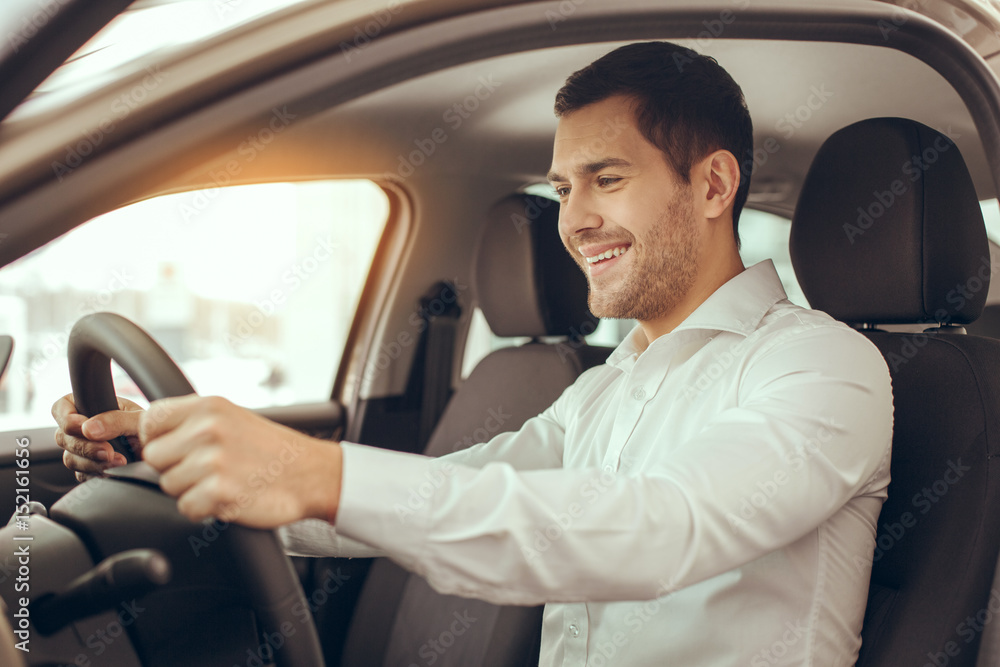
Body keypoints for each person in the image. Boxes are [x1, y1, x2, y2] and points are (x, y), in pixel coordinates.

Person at [53, 42, 892, 665]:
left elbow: (658, 525)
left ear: (712, 186)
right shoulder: (610, 387)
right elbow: (459, 491)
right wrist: (177, 459)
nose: (574, 221)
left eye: (607, 179)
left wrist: (319, 472)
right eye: (563, 190)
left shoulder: (825, 369)